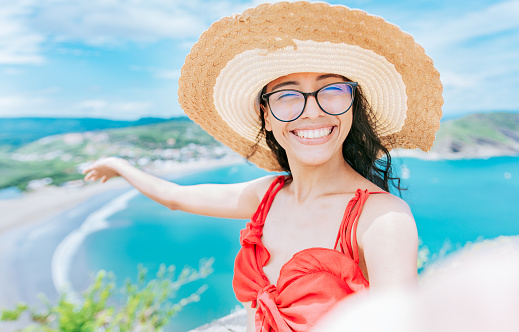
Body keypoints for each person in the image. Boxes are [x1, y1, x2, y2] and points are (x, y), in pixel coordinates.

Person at [83, 2, 443, 331]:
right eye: (288, 95)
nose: (312, 110)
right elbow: (176, 197)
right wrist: (119, 166)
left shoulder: (382, 218)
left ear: (352, 106)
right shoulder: (266, 196)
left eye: (332, 90)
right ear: (266, 116)